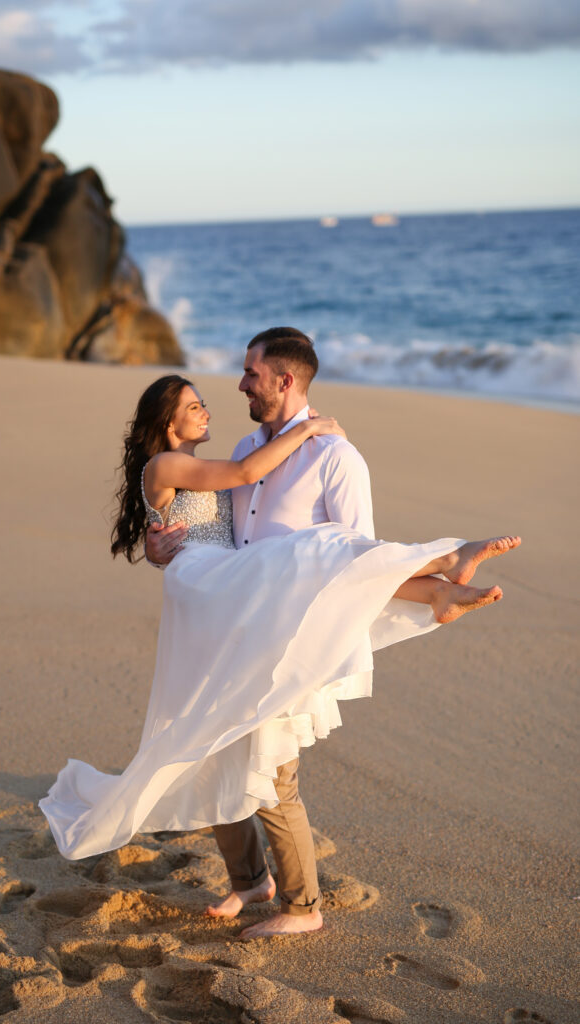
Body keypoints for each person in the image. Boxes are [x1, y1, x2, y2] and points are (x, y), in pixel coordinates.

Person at [40, 328, 520, 942]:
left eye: (250, 373)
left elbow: (357, 560)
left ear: (283, 380)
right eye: (204, 398)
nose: (237, 384)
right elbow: (213, 523)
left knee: (271, 772)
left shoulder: (337, 457)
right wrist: (162, 548)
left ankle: (302, 904)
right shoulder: (244, 449)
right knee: (211, 749)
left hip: (286, 640)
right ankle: (249, 883)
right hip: (224, 621)